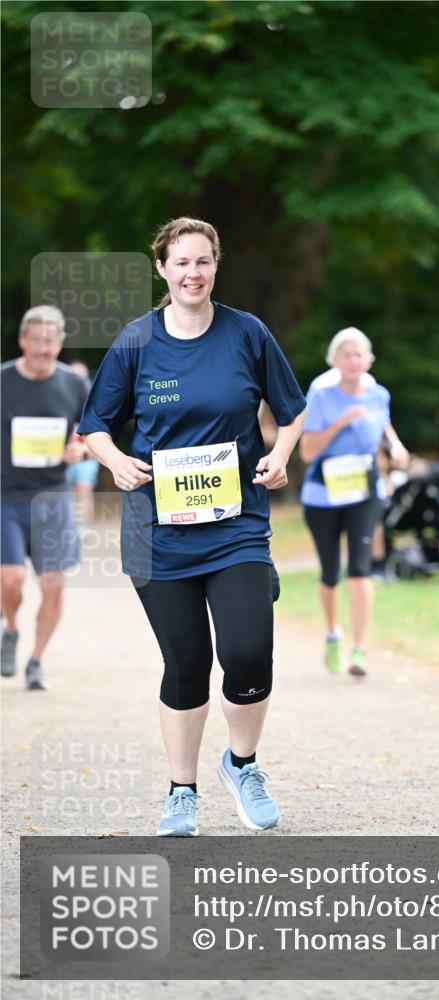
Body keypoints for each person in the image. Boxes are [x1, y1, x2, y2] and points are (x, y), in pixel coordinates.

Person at [78, 217, 306, 836]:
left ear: (215, 266)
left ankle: (243, 764)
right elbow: (94, 424)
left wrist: (280, 457)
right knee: (186, 663)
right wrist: (118, 461)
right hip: (158, 531)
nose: (192, 273)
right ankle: (182, 791)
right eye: (181, 263)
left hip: (235, 525)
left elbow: (291, 412)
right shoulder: (135, 341)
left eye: (203, 261)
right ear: (162, 269)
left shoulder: (247, 334)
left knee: (249, 653)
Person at [299, 327, 408, 677]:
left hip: (364, 490)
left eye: (359, 354)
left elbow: (385, 425)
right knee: (331, 572)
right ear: (334, 360)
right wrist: (344, 420)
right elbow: (307, 451)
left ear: (369, 360)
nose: (353, 360)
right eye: (346, 354)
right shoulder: (320, 392)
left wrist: (397, 446)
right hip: (323, 493)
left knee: (360, 567)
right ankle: (333, 633)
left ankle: (359, 649)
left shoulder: (378, 393)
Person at [1, 305, 89, 690]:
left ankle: (36, 660)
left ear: (60, 343)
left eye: (49, 341)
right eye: (35, 340)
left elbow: (91, 431)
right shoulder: (3, 381)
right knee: (12, 578)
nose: (42, 348)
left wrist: (80, 450)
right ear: (22, 340)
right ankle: (12, 628)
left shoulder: (74, 385)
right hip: (5, 495)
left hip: (52, 495)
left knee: (53, 582)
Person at [66, 361, 99, 523]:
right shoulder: (58, 395)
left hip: (87, 452)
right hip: (65, 453)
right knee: (66, 492)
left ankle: (82, 528)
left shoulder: (94, 399)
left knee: (84, 489)